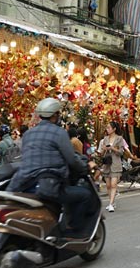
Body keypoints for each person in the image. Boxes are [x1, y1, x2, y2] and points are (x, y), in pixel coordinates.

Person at [7, 98, 95, 236]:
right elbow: (71, 159)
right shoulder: (59, 133)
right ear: (55, 115)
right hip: (48, 186)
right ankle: (74, 232)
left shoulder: (28, 134)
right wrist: (85, 167)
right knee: (84, 195)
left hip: (23, 185)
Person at [97, 121, 130, 212]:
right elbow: (102, 153)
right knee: (108, 185)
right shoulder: (105, 139)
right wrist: (104, 149)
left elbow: (121, 152)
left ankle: (110, 204)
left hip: (116, 163)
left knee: (113, 184)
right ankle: (112, 201)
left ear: (114, 129)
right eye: (106, 128)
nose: (107, 129)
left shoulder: (119, 138)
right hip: (107, 164)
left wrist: (112, 148)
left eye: (109, 128)